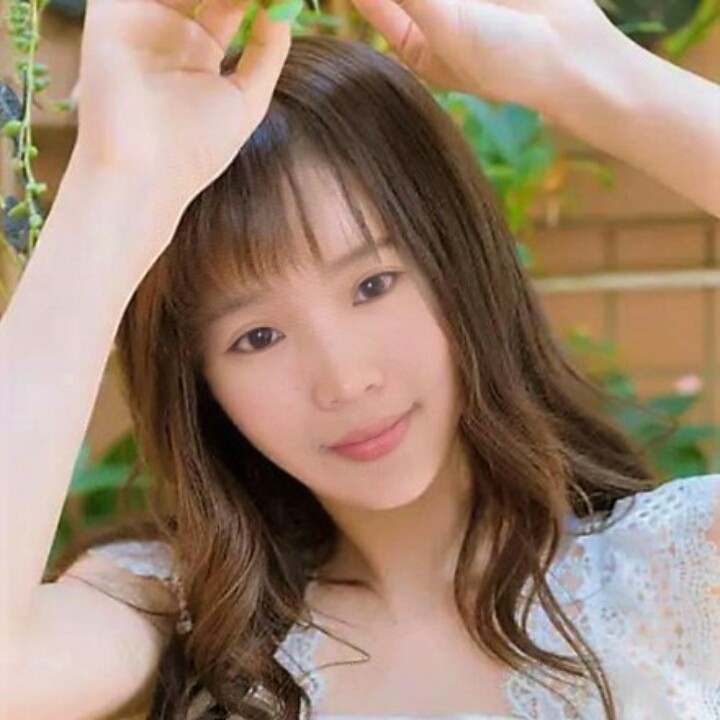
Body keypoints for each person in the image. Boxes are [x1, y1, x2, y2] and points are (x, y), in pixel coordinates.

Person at [1, 0, 719, 718]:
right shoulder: (183, 615)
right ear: (200, 381)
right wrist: (114, 180)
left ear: (461, 265)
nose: (345, 381)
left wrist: (588, 73)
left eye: (373, 285)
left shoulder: (674, 571)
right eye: (257, 337)